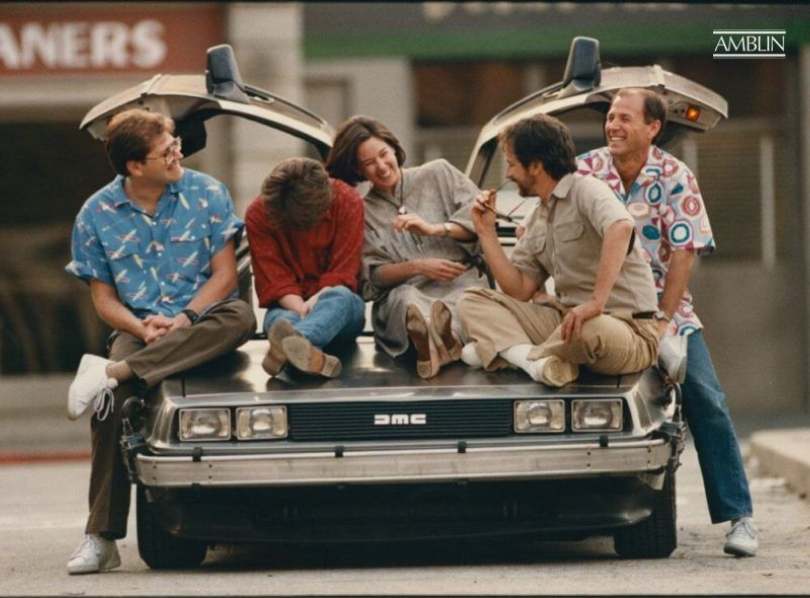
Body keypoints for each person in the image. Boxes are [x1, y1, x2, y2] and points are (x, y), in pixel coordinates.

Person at [64, 108, 256, 574]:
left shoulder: (207, 192)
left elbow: (225, 277)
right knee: (112, 404)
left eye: (175, 145)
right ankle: (101, 539)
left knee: (243, 317)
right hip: (139, 329)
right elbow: (104, 299)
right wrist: (140, 326)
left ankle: (111, 372)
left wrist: (186, 317)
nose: (179, 153)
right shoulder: (95, 214)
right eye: (167, 150)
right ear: (135, 166)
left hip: (204, 319)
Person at [577, 87, 758, 557]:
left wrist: (661, 320)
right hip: (599, 308)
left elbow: (684, 253)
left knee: (706, 399)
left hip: (664, 312)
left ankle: (741, 519)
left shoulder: (677, 175)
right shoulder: (586, 169)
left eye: (624, 118)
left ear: (652, 128)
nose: (613, 125)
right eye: (610, 117)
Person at [456, 113, 661, 386]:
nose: (507, 174)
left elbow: (621, 228)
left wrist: (596, 302)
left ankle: (504, 353)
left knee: (589, 329)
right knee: (471, 301)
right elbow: (518, 290)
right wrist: (485, 231)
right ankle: (533, 362)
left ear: (536, 166)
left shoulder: (588, 189)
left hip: (626, 328)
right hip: (566, 323)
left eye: (511, 164)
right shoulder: (536, 218)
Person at [325, 116, 488, 378]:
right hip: (405, 293)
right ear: (357, 170)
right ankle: (435, 339)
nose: (381, 166)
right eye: (368, 163)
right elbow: (371, 278)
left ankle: (436, 347)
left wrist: (435, 228)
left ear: (393, 147)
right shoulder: (360, 211)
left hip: (460, 283)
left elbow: (481, 222)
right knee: (406, 300)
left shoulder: (439, 172)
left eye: (383, 154)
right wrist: (417, 267)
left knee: (467, 300)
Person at [245, 157, 366, 378]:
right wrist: (301, 308)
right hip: (288, 306)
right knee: (280, 321)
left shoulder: (349, 201)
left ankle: (293, 345)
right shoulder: (258, 213)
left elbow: (343, 273)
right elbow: (275, 280)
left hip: (339, 310)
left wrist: (314, 305)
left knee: (342, 296)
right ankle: (311, 357)